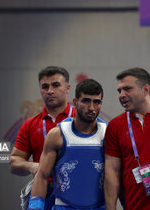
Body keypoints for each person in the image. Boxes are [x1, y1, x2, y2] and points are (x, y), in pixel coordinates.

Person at [28, 79, 107, 210]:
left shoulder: (108, 134)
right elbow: (42, 176)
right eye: (86, 101)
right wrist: (35, 207)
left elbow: (116, 176)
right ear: (75, 103)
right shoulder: (57, 135)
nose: (92, 107)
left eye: (96, 102)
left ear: (101, 103)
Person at [104, 68, 150, 210]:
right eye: (119, 91)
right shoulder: (115, 126)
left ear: (145, 89)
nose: (121, 95)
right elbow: (112, 173)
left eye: (127, 89)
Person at [10, 66, 76, 210]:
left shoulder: (81, 119)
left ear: (68, 88)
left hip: (78, 196)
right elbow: (14, 162)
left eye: (56, 85)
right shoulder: (30, 125)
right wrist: (32, 166)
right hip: (44, 196)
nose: (50, 91)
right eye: (45, 87)